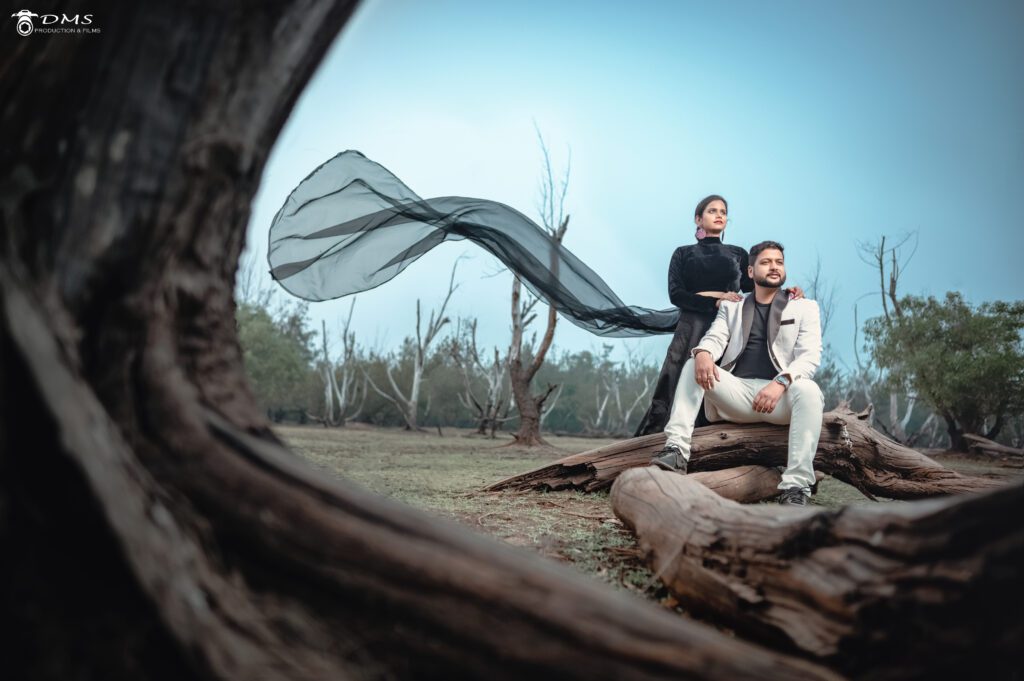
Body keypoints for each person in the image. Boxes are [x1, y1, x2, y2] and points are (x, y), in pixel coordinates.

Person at [649, 241, 824, 506]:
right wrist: (704, 353)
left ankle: (796, 487)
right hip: (737, 395)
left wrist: (780, 382)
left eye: (779, 262)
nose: (774, 267)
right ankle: (676, 450)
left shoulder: (804, 307)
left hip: (780, 399)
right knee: (693, 363)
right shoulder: (733, 305)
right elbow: (715, 338)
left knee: (810, 390)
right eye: (766, 262)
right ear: (751, 272)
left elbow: (809, 357)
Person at [633, 196, 801, 436]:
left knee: (721, 384)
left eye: (723, 211)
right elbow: (677, 295)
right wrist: (716, 299)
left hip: (729, 327)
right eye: (712, 211)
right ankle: (663, 441)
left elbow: (754, 288)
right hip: (691, 326)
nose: (720, 215)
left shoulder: (738, 254)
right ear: (698, 219)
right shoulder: (683, 253)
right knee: (678, 380)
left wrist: (785, 292)